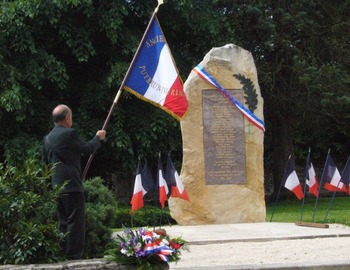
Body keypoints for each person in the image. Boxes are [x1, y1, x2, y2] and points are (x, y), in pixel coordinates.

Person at [42, 104, 106, 260]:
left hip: (57, 187)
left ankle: (63, 253)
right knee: (76, 222)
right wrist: (98, 138)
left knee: (63, 222)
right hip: (72, 186)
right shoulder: (69, 134)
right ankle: (73, 257)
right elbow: (87, 149)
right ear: (67, 118)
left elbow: (45, 163)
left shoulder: (47, 139)